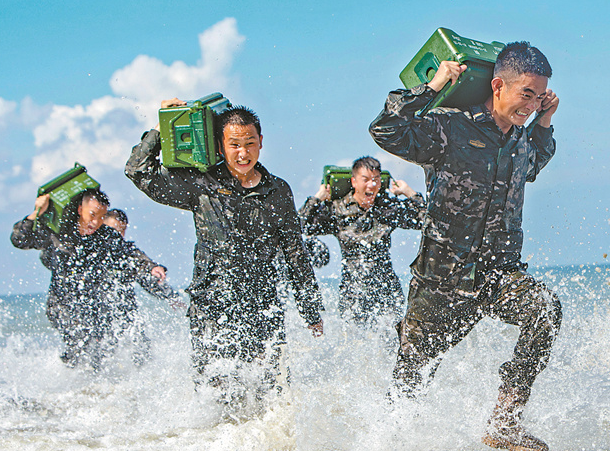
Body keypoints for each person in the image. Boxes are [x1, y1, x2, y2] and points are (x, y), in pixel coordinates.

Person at [369, 41, 562, 451]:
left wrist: (544, 122)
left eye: (539, 94)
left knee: (545, 309)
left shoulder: (521, 139)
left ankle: (505, 420)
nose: (530, 103)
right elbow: (385, 130)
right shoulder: (451, 126)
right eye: (525, 94)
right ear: (497, 85)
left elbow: (534, 164)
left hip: (498, 273)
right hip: (443, 278)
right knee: (412, 375)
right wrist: (431, 86)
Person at [125, 103, 324, 413]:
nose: (242, 153)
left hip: (262, 306)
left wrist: (311, 311)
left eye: (249, 143)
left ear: (261, 141)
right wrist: (164, 127)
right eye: (233, 145)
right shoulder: (202, 185)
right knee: (217, 400)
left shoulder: (279, 191)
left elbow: (295, 253)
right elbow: (138, 171)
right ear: (219, 145)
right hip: (211, 308)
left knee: (272, 396)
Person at [11, 188, 160, 370]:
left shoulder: (105, 235)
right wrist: (36, 212)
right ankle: (69, 385)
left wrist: (152, 266)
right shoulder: (59, 232)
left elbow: (129, 252)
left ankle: (93, 391)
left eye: (101, 216)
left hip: (93, 306)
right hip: (62, 305)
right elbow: (20, 239)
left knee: (98, 352)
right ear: (80, 209)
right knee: (79, 345)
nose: (95, 222)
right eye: (92, 215)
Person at [299, 156, 424, 325]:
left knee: (396, 343)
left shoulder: (387, 208)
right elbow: (300, 226)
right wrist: (316, 199)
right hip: (353, 294)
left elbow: (425, 221)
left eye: (376, 180)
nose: (371, 185)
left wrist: (410, 193)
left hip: (387, 292)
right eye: (365, 180)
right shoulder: (338, 210)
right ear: (354, 182)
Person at [102, 208, 184, 366]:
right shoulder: (94, 249)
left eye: (121, 232)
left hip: (126, 313)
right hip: (101, 315)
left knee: (141, 344)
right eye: (113, 230)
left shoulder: (125, 252)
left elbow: (143, 267)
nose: (116, 237)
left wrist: (170, 296)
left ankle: (141, 381)